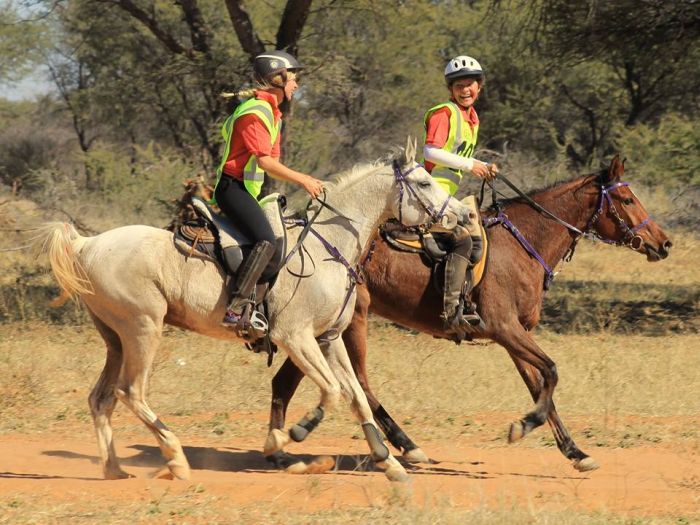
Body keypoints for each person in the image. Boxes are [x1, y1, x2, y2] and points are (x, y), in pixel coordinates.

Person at [214, 50, 324, 326]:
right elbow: (265, 163)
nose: (296, 85)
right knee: (266, 241)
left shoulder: (272, 114)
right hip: (232, 189)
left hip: (245, 191)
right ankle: (236, 308)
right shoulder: (255, 112)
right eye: (293, 79)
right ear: (278, 78)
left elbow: (271, 160)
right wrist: (305, 180)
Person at [422, 54, 497, 336]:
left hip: (445, 194)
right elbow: (430, 151)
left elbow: (457, 156)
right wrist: (471, 164)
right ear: (451, 89)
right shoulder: (445, 112)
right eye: (459, 86)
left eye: (470, 84)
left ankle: (468, 302)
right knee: (463, 242)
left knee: (478, 237)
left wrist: (484, 167)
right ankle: (451, 311)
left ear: (480, 86)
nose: (465, 90)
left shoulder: (471, 118)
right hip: (428, 193)